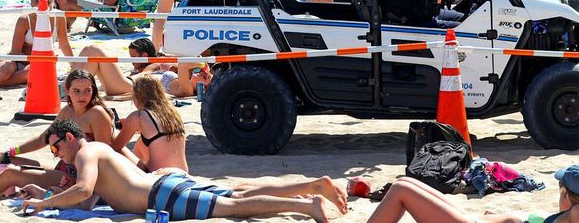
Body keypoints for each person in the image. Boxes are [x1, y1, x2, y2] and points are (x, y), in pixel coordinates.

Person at [18, 119, 347, 221]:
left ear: (69, 137)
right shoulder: (99, 150)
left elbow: (86, 191)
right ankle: (313, 186)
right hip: (165, 184)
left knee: (235, 207)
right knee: (238, 192)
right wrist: (47, 194)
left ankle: (305, 205)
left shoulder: (85, 154)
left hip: (160, 196)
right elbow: (88, 201)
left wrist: (45, 205)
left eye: (55, 146)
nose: (56, 153)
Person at [0, 69, 118, 199]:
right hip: (61, 170)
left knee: (11, 173)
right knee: (1, 161)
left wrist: (80, 183)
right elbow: (42, 139)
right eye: (76, 91)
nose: (82, 96)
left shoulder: (97, 114)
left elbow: (104, 159)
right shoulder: (67, 111)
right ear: (67, 90)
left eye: (87, 90)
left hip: (76, 178)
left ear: (93, 90)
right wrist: (9, 152)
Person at [367, 164, 579, 223]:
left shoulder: (578, 212)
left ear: (567, 193)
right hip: (475, 219)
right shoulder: (565, 215)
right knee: (405, 181)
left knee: (401, 190)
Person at [0, 0, 73, 90]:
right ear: (32, 7)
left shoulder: (58, 17)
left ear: (51, 6)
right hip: (19, 59)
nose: (42, 12)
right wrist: (33, 60)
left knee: (32, 71)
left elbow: (64, 44)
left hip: (37, 63)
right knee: (7, 68)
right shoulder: (24, 19)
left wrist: (73, 64)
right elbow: (15, 52)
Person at [111, 74, 188, 173]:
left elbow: (116, 147)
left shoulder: (138, 116)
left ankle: (133, 174)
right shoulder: (173, 113)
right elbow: (158, 134)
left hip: (158, 174)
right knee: (142, 140)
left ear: (136, 96)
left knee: (118, 148)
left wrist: (112, 131)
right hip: (183, 173)